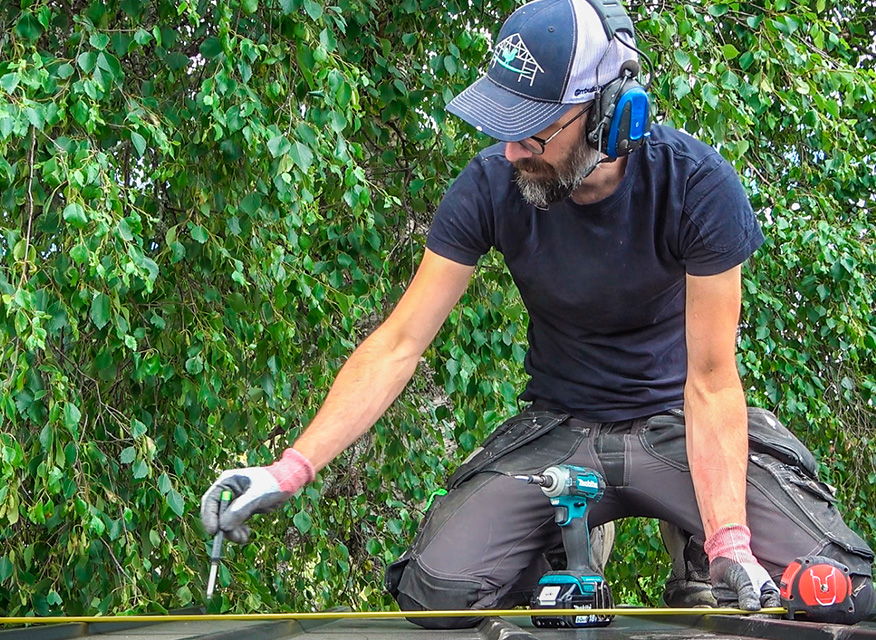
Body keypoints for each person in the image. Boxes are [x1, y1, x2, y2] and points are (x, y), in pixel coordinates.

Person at [201, 0, 875, 626]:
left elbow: (712, 380)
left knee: (841, 586)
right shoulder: (494, 183)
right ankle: (569, 531)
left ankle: (698, 541)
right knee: (438, 593)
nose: (512, 150)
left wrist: (731, 537)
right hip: (562, 432)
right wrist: (287, 470)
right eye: (505, 129)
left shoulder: (695, 185)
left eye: (534, 133)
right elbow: (400, 342)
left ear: (613, 112)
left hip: (680, 424)